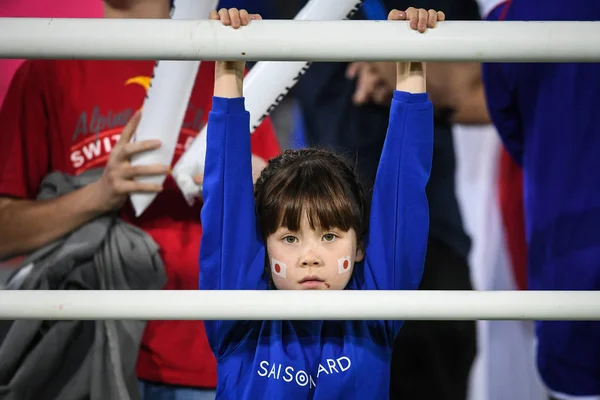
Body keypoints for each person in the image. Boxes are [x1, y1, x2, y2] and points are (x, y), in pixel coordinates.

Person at [0, 1, 280, 398]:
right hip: (78, 356)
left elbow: (287, 220)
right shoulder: (49, 67)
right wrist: (100, 194)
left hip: (204, 358)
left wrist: (260, 181)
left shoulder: (224, 65)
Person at [199, 6, 441, 399]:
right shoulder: (238, 316)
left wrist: (411, 62)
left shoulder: (375, 310)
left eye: (329, 236)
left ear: (360, 247)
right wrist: (229, 66)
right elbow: (225, 200)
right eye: (290, 238)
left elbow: (404, 192)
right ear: (262, 248)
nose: (310, 257)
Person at [482, 1, 600, 399]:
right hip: (567, 273)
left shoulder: (506, 22)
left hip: (565, 272)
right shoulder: (504, 24)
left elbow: (519, 141)